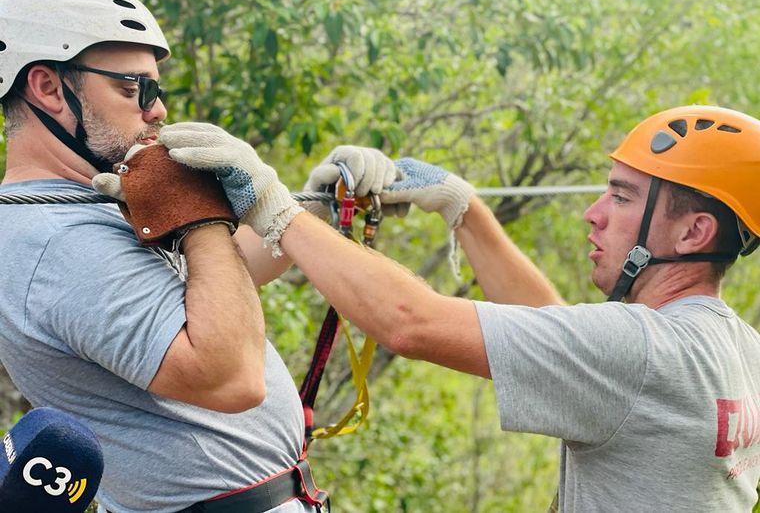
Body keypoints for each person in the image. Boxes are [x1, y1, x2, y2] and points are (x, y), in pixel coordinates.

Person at [129, 105, 760, 511]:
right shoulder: (737, 348)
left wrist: (273, 204)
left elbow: (410, 321)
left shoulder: (641, 351)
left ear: (693, 233)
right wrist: (464, 209)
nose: (593, 214)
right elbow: (566, 339)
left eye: (622, 198)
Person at [0, 0, 346, 513]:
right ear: (47, 88)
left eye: (155, 90)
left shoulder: (84, 205)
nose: (157, 109)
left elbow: (220, 287)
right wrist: (199, 219)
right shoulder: (55, 244)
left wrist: (310, 205)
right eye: (133, 88)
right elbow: (233, 377)